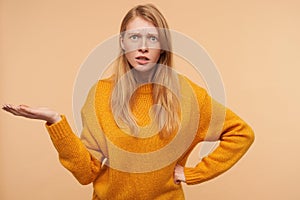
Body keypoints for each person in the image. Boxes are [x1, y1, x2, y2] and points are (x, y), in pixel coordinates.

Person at [2, 4, 254, 200]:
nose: (143, 46)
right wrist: (55, 121)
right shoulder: (100, 94)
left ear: (163, 46)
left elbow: (241, 133)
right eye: (135, 37)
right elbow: (86, 173)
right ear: (122, 42)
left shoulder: (187, 95)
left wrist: (193, 174)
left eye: (152, 38)